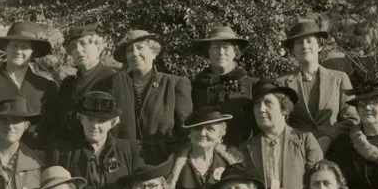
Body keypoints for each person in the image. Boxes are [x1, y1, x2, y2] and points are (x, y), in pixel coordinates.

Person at [0, 21, 58, 152]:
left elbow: (50, 132)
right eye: (14, 45)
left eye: (25, 47)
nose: (18, 51)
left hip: (33, 161)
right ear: (5, 48)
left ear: (32, 51)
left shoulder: (46, 87)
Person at [50, 91, 142, 189]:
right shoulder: (63, 153)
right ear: (81, 119)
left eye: (101, 120)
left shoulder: (129, 150)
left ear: (113, 123)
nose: (94, 125)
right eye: (90, 119)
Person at [110, 29, 193, 163]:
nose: (135, 53)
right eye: (129, 50)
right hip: (125, 163)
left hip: (163, 163)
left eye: (140, 48)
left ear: (154, 53)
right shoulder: (116, 86)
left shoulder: (174, 84)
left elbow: (187, 135)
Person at [277, 18, 359, 151]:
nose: (304, 46)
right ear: (293, 50)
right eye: (299, 43)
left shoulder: (339, 79)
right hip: (297, 152)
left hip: (334, 151)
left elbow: (352, 119)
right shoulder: (282, 83)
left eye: (309, 41)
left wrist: (329, 136)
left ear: (319, 46)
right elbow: (280, 123)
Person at [241, 79, 324, 189]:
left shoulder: (305, 141)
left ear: (284, 109)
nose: (261, 109)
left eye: (268, 103)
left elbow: (319, 182)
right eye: (257, 104)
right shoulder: (246, 148)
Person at [47, 24, 117, 141]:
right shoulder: (68, 83)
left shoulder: (111, 79)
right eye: (73, 46)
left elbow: (117, 128)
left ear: (99, 48)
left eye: (84, 43)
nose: (78, 50)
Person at [164, 107, 242, 189]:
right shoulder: (172, 166)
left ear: (220, 136)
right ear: (189, 134)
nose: (202, 133)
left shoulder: (229, 165)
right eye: (197, 128)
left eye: (210, 129)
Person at [190, 25, 257, 145]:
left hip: (242, 155)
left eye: (226, 47)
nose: (221, 53)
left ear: (235, 52)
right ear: (208, 52)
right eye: (215, 47)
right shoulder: (196, 86)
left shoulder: (252, 85)